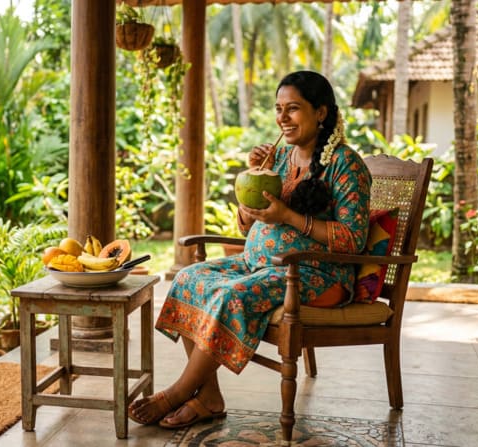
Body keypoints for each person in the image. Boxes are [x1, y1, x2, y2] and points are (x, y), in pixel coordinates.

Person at [128, 70, 372, 429]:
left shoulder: (346, 165)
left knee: (234, 295)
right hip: (258, 264)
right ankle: (208, 397)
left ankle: (179, 392)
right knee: (189, 278)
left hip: (317, 275)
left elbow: (353, 240)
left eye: (293, 109)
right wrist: (253, 176)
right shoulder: (279, 158)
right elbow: (246, 224)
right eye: (278, 109)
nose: (282, 118)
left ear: (321, 112)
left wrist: (288, 216)